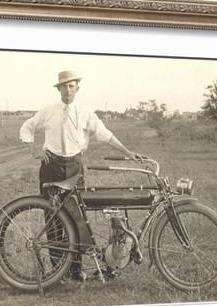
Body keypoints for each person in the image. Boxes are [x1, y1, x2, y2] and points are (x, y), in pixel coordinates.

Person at [19, 70, 142, 281]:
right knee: (53, 218)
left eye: (71, 86)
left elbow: (105, 135)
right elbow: (27, 127)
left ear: (77, 88)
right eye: (63, 86)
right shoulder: (48, 111)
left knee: (77, 219)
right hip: (51, 166)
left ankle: (76, 271)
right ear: (58, 89)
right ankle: (58, 272)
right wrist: (34, 151)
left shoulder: (85, 113)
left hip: (75, 168)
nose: (67, 90)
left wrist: (128, 153)